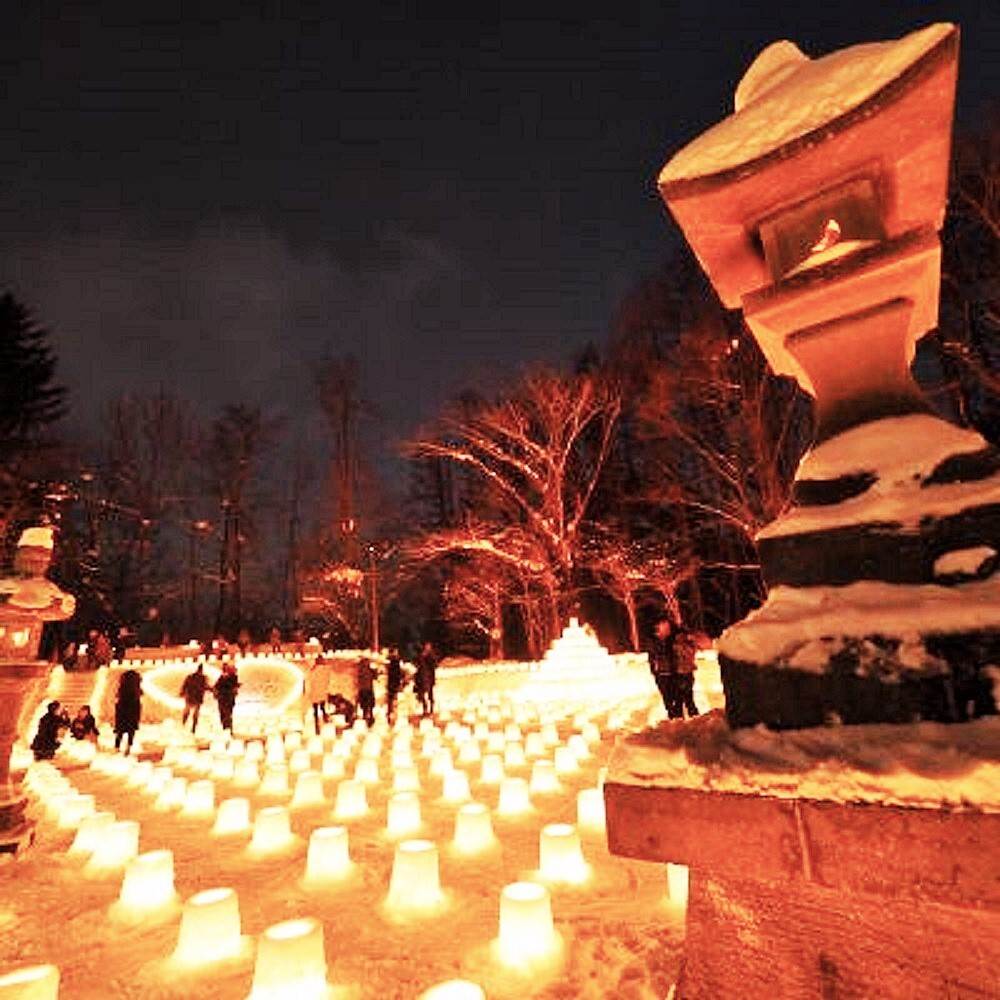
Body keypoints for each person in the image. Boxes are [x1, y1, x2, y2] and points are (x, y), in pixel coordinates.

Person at [644, 616, 683, 719]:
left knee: (678, 697)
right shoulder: (653, 641)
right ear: (659, 627)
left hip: (674, 672)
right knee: (668, 699)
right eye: (665, 626)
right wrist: (654, 671)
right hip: (661, 674)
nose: (668, 628)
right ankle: (673, 717)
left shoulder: (672, 639)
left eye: (668, 626)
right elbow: (651, 656)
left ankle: (679, 717)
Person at [114, 669, 142, 753]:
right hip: (132, 712)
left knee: (120, 732)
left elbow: (118, 705)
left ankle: (117, 747)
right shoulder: (136, 691)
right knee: (131, 731)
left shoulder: (122, 690)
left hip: (123, 712)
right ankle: (128, 747)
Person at [305, 656, 332, 735]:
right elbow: (327, 679)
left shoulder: (314, 670)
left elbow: (309, 679)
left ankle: (317, 728)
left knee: (316, 711)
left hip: (315, 694)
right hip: (322, 693)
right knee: (323, 708)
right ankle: (325, 722)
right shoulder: (325, 670)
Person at [180, 664, 210, 733]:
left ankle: (185, 725)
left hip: (191, 696)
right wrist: (212, 690)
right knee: (194, 713)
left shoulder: (190, 677)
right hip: (197, 697)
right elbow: (206, 686)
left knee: (188, 711)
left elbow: (185, 685)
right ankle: (192, 728)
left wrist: (182, 692)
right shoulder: (203, 678)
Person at [214, 663, 239, 732]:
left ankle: (228, 728)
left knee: (227, 713)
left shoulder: (232, 677)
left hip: (227, 698)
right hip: (223, 698)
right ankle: (225, 728)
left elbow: (233, 687)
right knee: (223, 713)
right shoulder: (222, 677)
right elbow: (217, 686)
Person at [414, 641, 438, 716]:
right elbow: (417, 665)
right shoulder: (421, 656)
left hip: (429, 677)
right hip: (421, 677)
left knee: (430, 693)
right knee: (421, 693)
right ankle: (425, 708)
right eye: (426, 646)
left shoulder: (431, 656)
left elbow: (434, 665)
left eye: (429, 646)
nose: (427, 648)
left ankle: (431, 708)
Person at [385, 647, 404, 723]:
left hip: (391, 683)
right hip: (394, 683)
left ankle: (391, 714)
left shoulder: (391, 662)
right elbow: (398, 673)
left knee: (391, 700)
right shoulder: (395, 662)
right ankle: (392, 714)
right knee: (393, 699)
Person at [356, 656, 376, 726]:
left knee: (366, 705)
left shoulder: (360, 671)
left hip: (365, 689)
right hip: (366, 689)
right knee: (367, 705)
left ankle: (367, 717)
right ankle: (368, 717)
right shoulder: (364, 671)